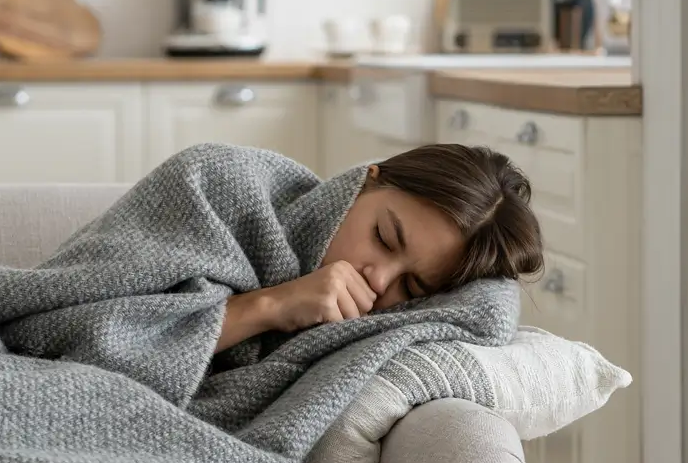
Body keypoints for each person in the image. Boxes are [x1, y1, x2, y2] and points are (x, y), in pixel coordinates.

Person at [216, 143, 545, 352]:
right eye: (384, 237)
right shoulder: (222, 184)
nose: (378, 281)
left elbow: (490, 312)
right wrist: (271, 306)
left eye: (411, 285)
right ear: (365, 182)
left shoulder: (369, 330)